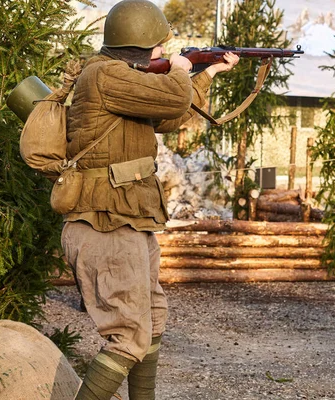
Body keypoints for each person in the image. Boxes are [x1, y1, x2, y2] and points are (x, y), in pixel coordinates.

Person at [61, 0, 239, 399]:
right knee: (129, 337)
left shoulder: (124, 79)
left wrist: (206, 71)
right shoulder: (106, 76)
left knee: (152, 321)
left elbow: (171, 116)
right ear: (141, 46)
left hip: (130, 219)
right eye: (160, 46)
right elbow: (174, 98)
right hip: (103, 222)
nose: (165, 52)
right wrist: (181, 70)